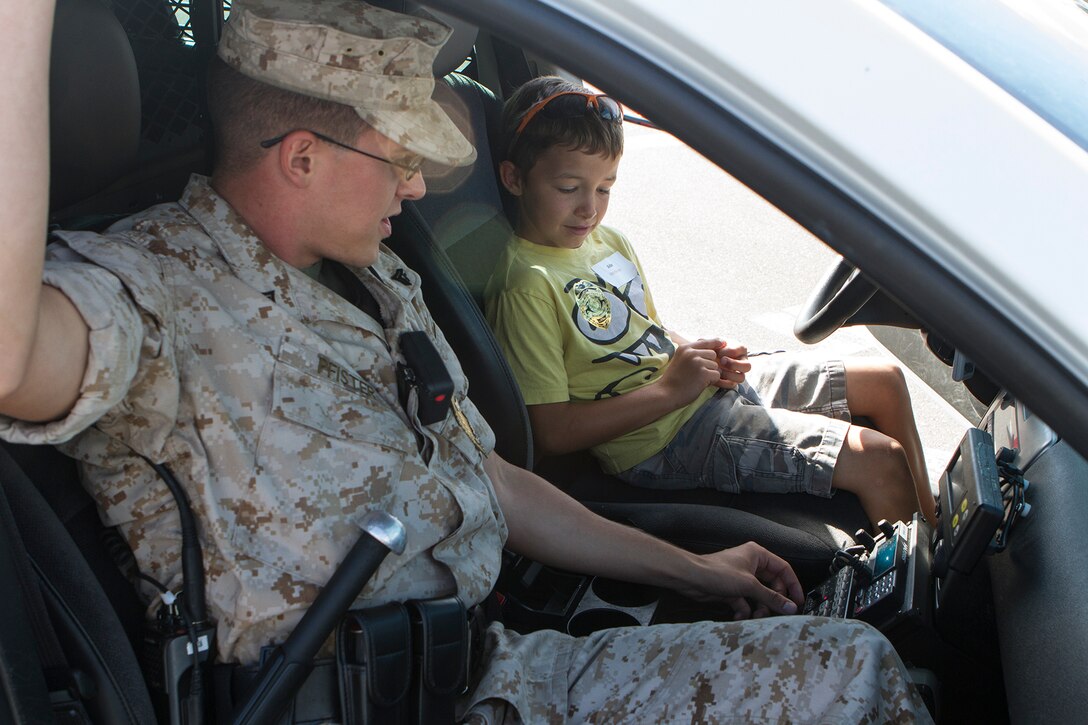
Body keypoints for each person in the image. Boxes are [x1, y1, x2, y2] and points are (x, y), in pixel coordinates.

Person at [0, 0, 931, 721]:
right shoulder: (150, 289)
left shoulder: (373, 281)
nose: (416, 183)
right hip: (410, 703)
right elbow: (13, 355)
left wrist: (697, 570)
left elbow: (486, 480)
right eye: (398, 155)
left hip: (491, 658)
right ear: (300, 159)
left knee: (845, 639)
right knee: (857, 671)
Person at [485, 75, 938, 530]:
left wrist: (705, 354)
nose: (589, 208)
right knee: (878, 459)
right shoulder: (526, 286)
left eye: (604, 188)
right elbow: (552, 431)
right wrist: (669, 390)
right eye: (569, 189)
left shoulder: (607, 241)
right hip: (662, 442)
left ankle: (934, 536)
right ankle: (923, 591)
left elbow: (650, 333)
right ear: (514, 178)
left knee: (885, 381)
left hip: (696, 393)